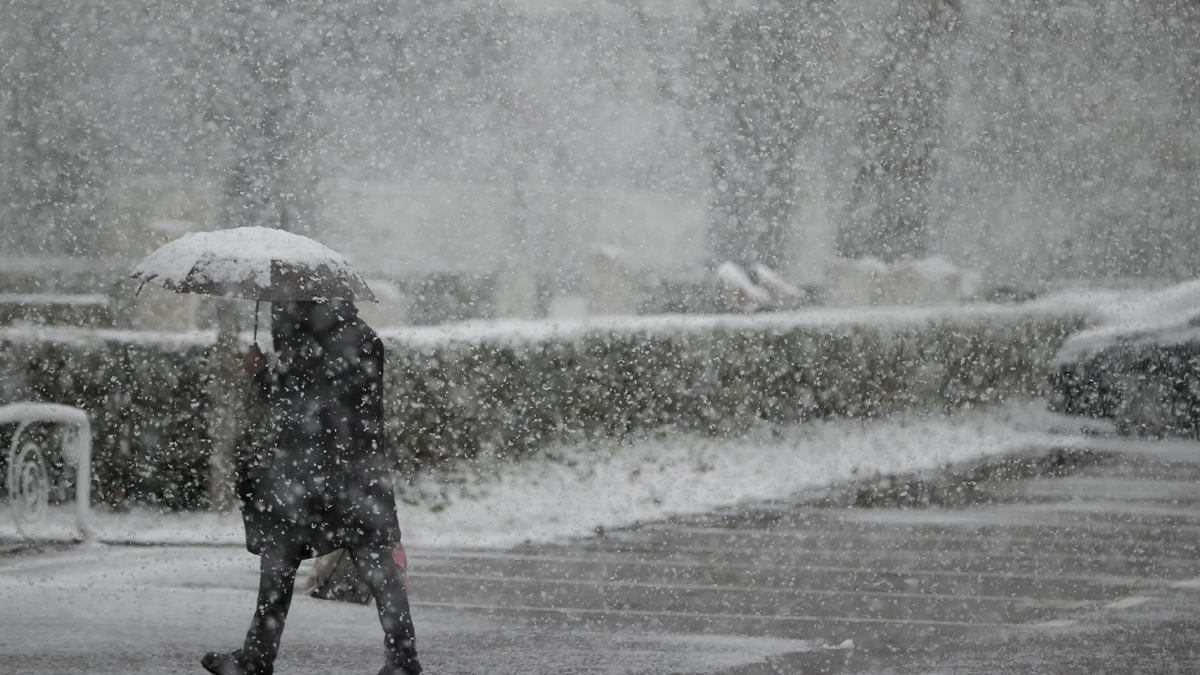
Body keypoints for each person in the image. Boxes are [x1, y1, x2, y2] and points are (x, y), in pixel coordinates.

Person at [202, 299, 421, 675]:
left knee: (280, 562)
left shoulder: (310, 340)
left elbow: (298, 404)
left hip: (311, 474)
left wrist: (260, 374)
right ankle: (403, 658)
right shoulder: (362, 336)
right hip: (356, 470)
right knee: (376, 562)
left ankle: (257, 656)